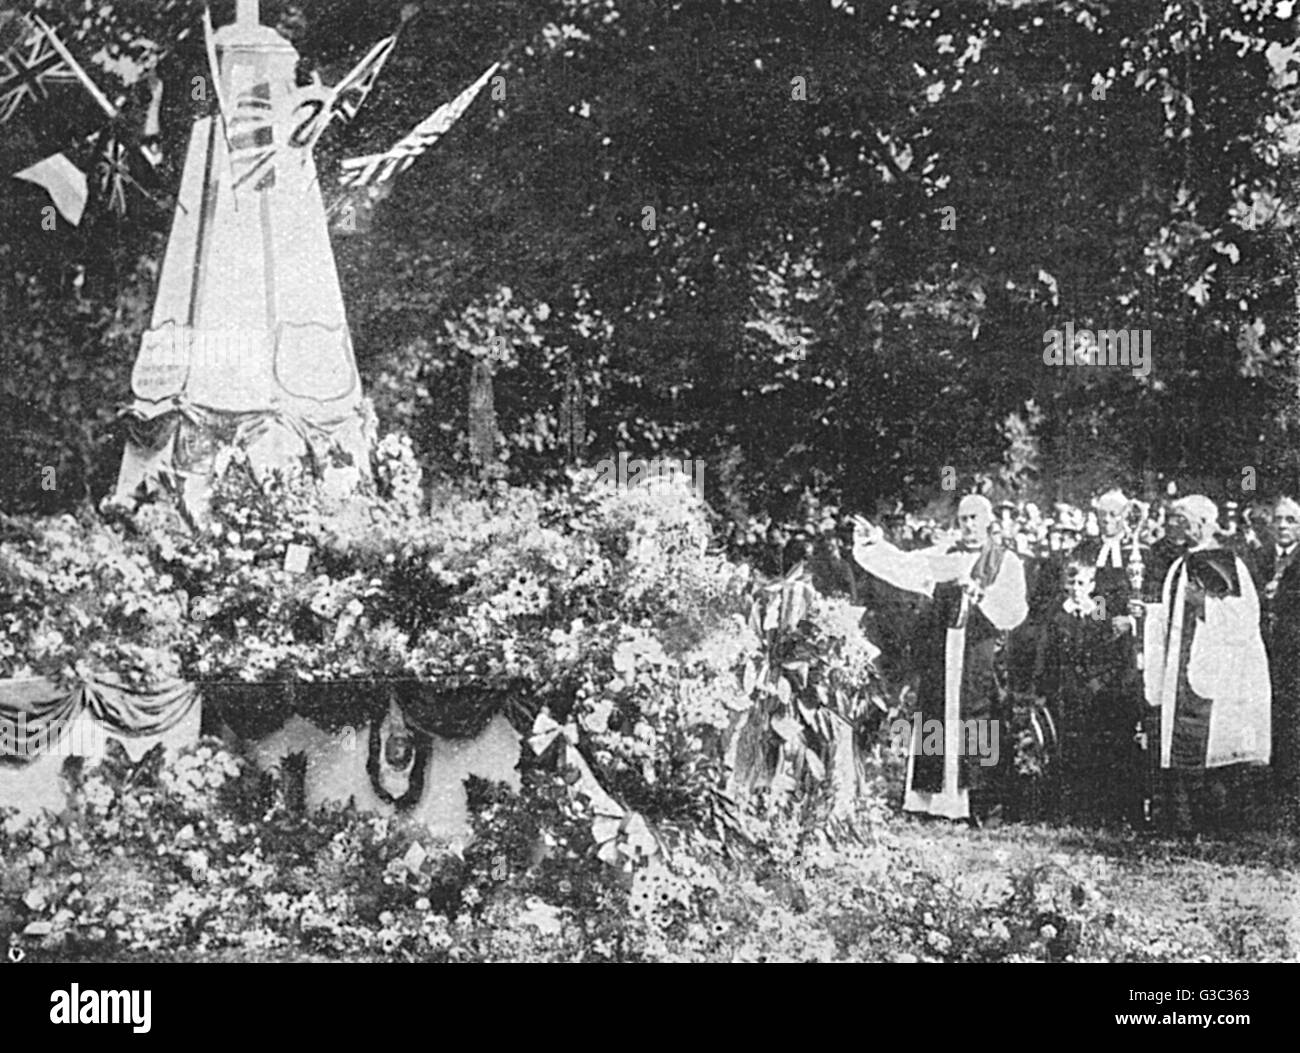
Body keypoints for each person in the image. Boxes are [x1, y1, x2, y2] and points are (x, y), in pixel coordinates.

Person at [854, 494, 1028, 824]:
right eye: (963, 518)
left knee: (976, 717)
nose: (969, 524)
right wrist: (876, 543)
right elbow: (905, 565)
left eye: (975, 517)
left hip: (977, 648)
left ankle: (976, 803)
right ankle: (930, 800)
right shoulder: (946, 555)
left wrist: (979, 594)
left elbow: (1014, 611)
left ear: (989, 521)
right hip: (941, 645)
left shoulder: (1006, 561)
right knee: (934, 712)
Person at [1137, 495, 1272, 834]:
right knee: (1179, 743)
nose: (1171, 525)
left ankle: (1212, 824)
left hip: (1212, 669)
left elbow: (1244, 620)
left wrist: (1204, 606)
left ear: (1201, 523)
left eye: (1179, 519)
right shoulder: (1180, 563)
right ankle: (1180, 821)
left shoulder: (1225, 561)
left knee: (1209, 746)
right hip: (1179, 666)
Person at [1033, 558, 1140, 825]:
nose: (1076, 589)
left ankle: (1098, 810)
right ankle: (1067, 810)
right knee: (1067, 749)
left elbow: (1109, 644)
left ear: (1091, 585)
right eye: (1071, 583)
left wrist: (1100, 680)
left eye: (1081, 583)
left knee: (1097, 749)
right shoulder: (1056, 613)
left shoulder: (1099, 609)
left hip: (1097, 692)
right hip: (1066, 691)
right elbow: (1045, 654)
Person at [1259, 495, 1300, 830]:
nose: (1284, 526)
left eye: (1291, 520)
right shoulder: (1257, 559)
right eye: (1279, 519)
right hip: (1262, 656)